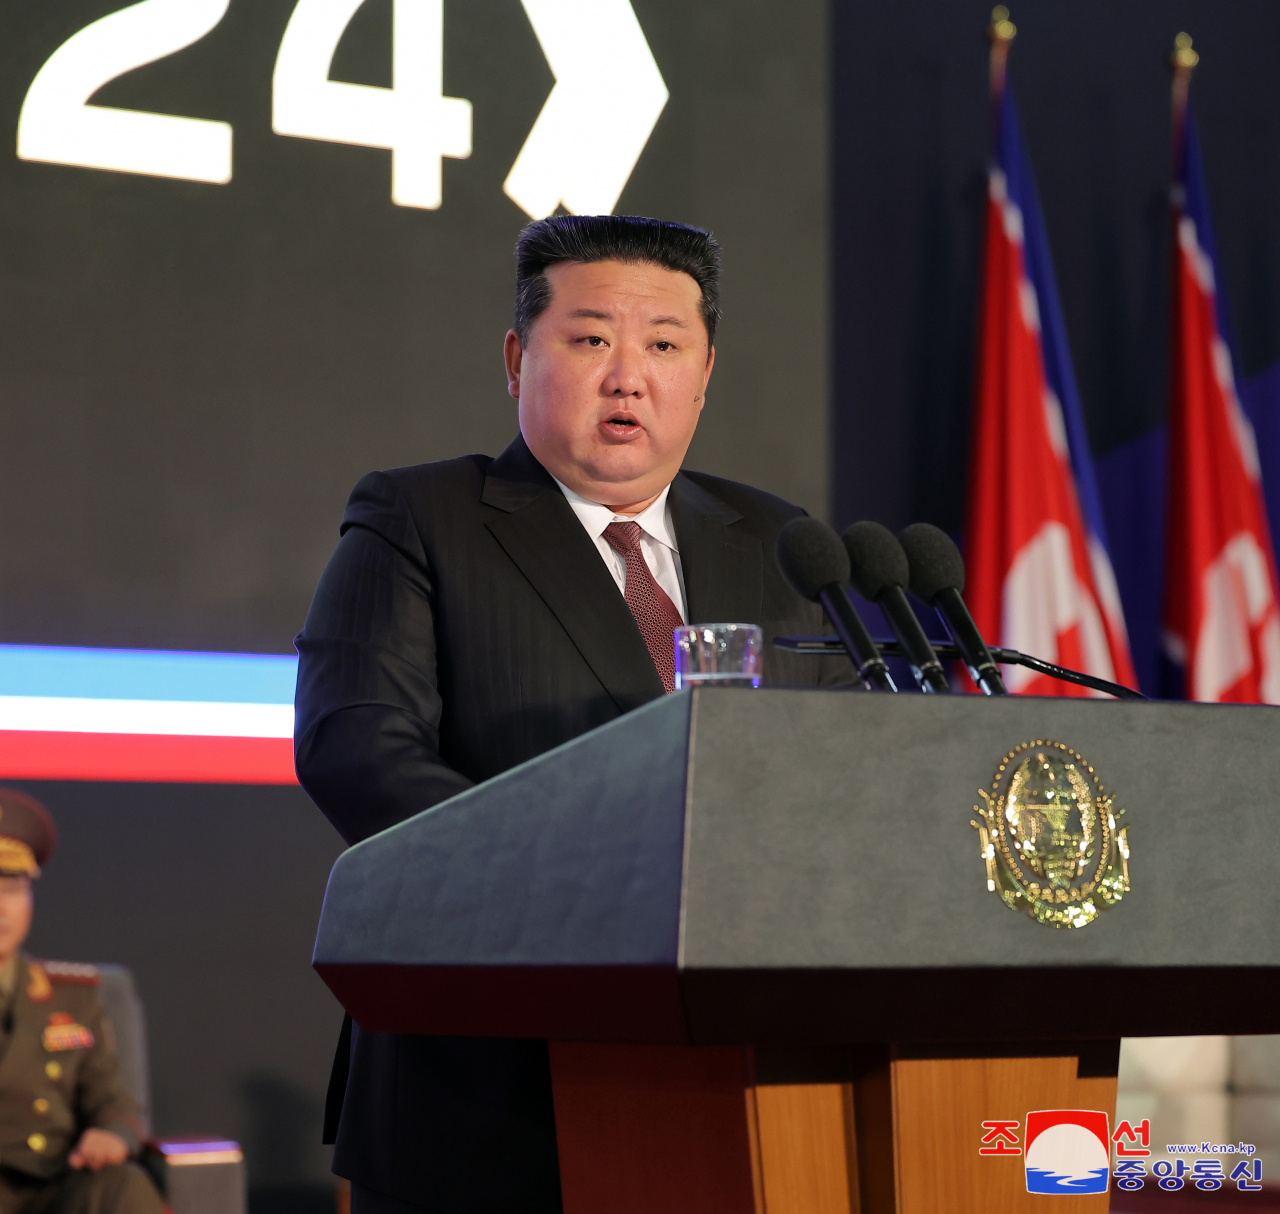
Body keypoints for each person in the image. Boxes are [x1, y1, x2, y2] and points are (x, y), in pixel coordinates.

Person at [295, 214, 854, 1213]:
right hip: (488, 1076)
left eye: (663, 344)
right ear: (517, 357)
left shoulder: (780, 542)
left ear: (705, 370)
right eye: (591, 338)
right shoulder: (421, 518)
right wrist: (592, 887)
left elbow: (847, 756)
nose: (627, 374)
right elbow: (358, 749)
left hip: (749, 1076)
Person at [0, 790, 162, 1214]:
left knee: (124, 1184)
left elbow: (113, 1101)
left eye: (13, 888)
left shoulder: (72, 994)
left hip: (52, 1187)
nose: (1, 907)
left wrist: (113, 1134)